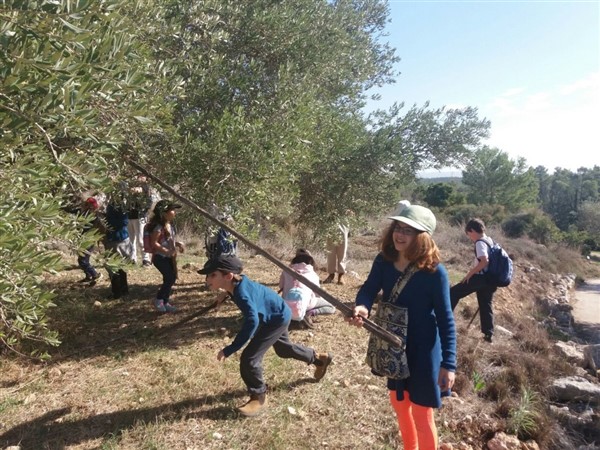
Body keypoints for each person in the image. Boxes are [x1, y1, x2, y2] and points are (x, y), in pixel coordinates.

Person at [347, 205, 456, 450]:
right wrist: (362, 307)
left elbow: (446, 319)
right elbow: (368, 289)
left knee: (421, 412)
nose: (399, 234)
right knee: (399, 404)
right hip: (393, 346)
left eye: (408, 230)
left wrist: (449, 364)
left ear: (423, 237)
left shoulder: (435, 273)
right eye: (398, 227)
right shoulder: (384, 260)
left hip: (423, 351)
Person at [199, 255, 333, 417]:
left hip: (276, 319)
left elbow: (252, 322)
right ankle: (319, 358)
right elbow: (240, 286)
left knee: (249, 358)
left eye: (213, 275)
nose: (208, 279)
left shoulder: (242, 294)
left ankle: (259, 398)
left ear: (228, 276)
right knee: (283, 349)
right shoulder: (237, 284)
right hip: (278, 313)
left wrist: (231, 348)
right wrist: (226, 293)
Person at [450, 218, 497, 343]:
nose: (469, 237)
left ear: (472, 231)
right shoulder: (490, 240)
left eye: (469, 234)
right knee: (485, 305)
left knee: (453, 293)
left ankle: (444, 321)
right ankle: (488, 335)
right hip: (490, 280)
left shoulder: (480, 242)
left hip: (480, 278)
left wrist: (470, 274)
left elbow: (484, 260)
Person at [278, 249, 335, 329]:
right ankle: (310, 312)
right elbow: (317, 294)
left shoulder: (286, 271)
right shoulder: (313, 275)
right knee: (331, 307)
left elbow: (281, 286)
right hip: (306, 303)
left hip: (286, 302)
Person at [147, 199, 184, 313]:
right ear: (163, 213)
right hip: (160, 258)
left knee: (170, 278)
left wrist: (177, 244)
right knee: (169, 278)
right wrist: (167, 251)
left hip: (167, 257)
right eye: (172, 210)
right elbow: (154, 243)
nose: (174, 212)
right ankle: (159, 300)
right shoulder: (159, 227)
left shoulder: (168, 225)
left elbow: (167, 240)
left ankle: (165, 301)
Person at [104, 200, 132, 299]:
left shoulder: (118, 206)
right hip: (116, 239)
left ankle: (118, 292)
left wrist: (106, 222)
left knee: (114, 267)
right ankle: (122, 290)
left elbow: (123, 222)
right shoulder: (114, 205)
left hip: (118, 240)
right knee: (118, 267)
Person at [76, 197, 103, 284]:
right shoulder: (88, 214)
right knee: (84, 260)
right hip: (86, 239)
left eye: (86, 204)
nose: (84, 205)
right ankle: (88, 276)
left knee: (82, 261)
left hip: (88, 240)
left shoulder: (91, 216)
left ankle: (95, 274)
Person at [323, 214, 352, 285]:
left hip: (343, 225)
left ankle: (341, 275)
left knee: (342, 252)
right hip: (331, 224)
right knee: (330, 252)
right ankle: (331, 274)